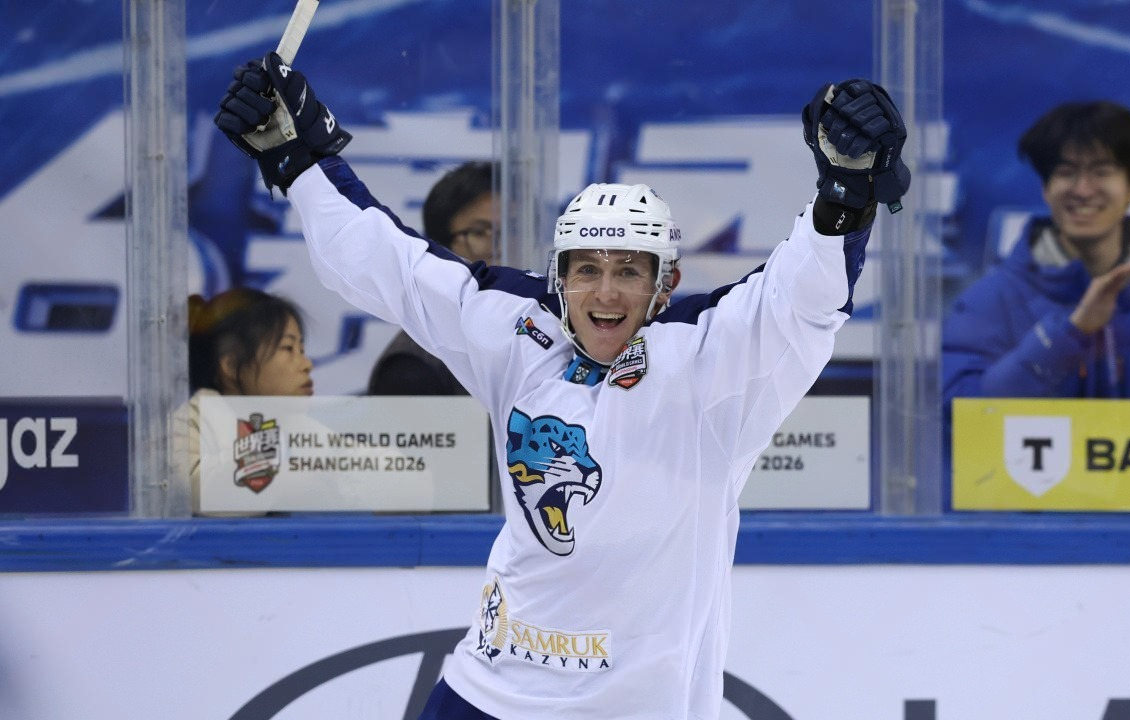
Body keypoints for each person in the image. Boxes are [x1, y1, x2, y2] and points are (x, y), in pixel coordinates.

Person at [215, 53, 909, 719]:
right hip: (489, 691)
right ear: (559, 277)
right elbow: (389, 263)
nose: (605, 293)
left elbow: (801, 299)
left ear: (665, 283)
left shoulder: (711, 360)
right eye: (587, 270)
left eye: (629, 271)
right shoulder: (518, 333)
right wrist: (298, 158)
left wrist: (843, 192)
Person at [943, 101, 1130, 403]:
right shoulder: (990, 301)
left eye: (1102, 172)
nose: (1083, 190)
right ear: (1046, 188)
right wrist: (1067, 335)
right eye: (1066, 172)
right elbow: (959, 409)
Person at [367, 161, 497, 395]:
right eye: (480, 232)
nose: (501, 246)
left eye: (513, 229)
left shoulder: (528, 337)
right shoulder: (412, 367)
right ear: (440, 247)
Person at [182, 288, 314, 507]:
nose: (307, 365)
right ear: (232, 366)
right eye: (288, 348)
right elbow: (198, 491)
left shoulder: (300, 426)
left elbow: (357, 466)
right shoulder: (189, 424)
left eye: (301, 350)